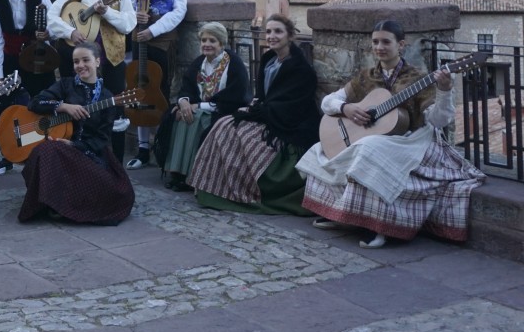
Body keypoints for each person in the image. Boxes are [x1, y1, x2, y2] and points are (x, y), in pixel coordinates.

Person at [296, 20, 485, 248]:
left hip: (409, 139)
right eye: (375, 42)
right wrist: (346, 108)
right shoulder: (366, 76)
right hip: (375, 138)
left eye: (386, 42)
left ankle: (378, 227)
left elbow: (438, 120)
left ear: (401, 45)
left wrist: (444, 90)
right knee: (320, 149)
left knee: (369, 150)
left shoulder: (417, 78)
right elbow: (328, 102)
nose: (379, 47)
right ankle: (340, 214)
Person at [190, 14, 319, 215]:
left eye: (278, 31)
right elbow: (263, 96)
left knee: (237, 134)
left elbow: (290, 106)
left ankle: (242, 190)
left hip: (290, 125)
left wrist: (254, 112)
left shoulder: (301, 69)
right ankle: (215, 188)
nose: (271, 36)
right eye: (268, 32)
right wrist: (253, 108)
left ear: (290, 36)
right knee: (223, 126)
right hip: (267, 115)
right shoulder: (269, 60)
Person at [18, 43, 135, 225]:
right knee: (48, 149)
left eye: (85, 60)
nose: (80, 65)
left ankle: (64, 205)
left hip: (86, 151)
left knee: (119, 193)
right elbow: (34, 103)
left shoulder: (107, 97)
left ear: (97, 61)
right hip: (57, 149)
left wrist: (74, 145)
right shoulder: (65, 85)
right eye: (76, 61)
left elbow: (101, 140)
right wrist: (63, 106)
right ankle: (53, 204)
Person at [47, 0, 136, 159]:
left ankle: (116, 163)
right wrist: (70, 32)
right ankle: (79, 156)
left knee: (115, 108)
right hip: (81, 62)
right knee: (79, 106)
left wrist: (106, 12)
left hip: (111, 59)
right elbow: (51, 16)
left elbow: (129, 24)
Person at [154, 22, 250, 190]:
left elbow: (236, 97)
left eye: (212, 41)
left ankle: (193, 176)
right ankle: (177, 173)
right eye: (203, 40)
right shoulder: (199, 62)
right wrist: (183, 101)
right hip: (197, 106)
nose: (207, 44)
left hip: (223, 110)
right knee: (177, 116)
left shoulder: (234, 64)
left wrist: (198, 106)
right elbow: (186, 87)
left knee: (196, 120)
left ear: (221, 43)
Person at [124, 0, 188, 169]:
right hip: (139, 38)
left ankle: (161, 144)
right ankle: (142, 148)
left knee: (159, 91)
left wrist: (154, 30)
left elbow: (179, 10)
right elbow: (127, 6)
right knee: (140, 89)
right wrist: (135, 16)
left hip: (162, 39)